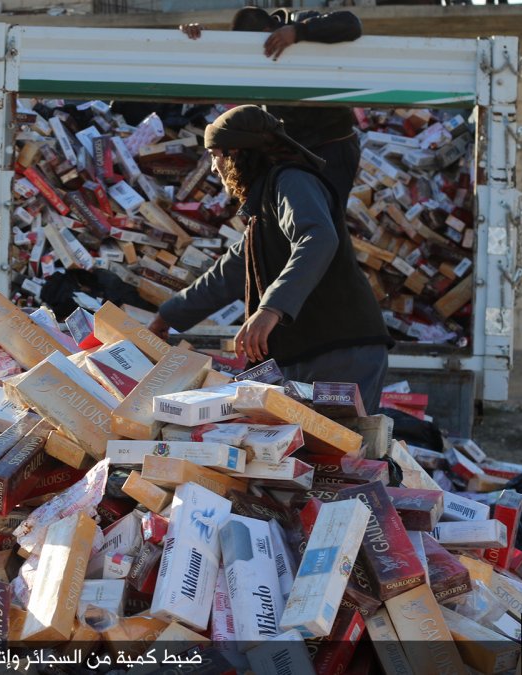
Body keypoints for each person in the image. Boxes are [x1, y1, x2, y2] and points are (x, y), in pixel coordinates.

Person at [148, 106, 392, 413]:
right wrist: (167, 317)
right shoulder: (264, 206)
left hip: (340, 351)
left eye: (215, 155)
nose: (213, 168)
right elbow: (232, 271)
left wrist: (270, 309)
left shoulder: (291, 181)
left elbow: (318, 237)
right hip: (308, 354)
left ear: (236, 153)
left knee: (337, 454)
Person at [182, 7, 364, 203]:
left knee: (327, 214)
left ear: (267, 32)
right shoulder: (250, 52)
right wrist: (200, 38)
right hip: (291, 148)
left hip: (332, 143)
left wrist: (298, 32)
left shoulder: (303, 21)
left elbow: (350, 23)